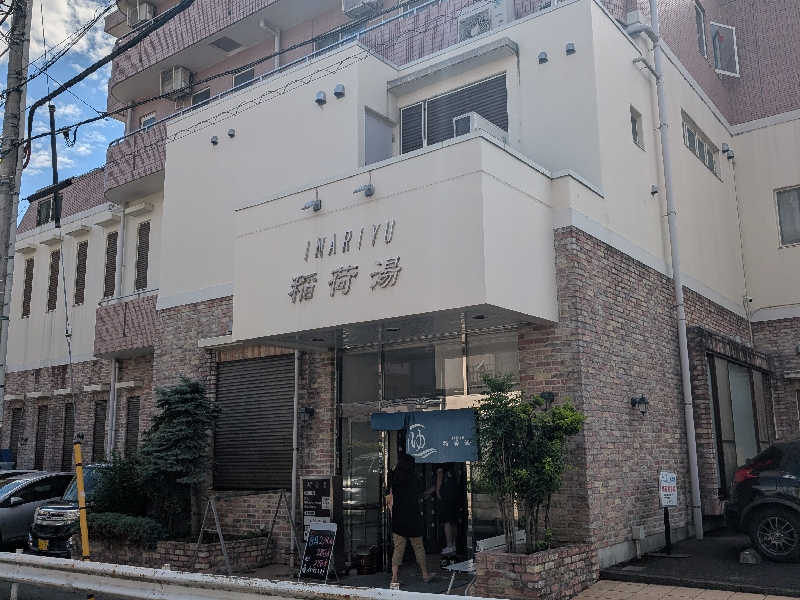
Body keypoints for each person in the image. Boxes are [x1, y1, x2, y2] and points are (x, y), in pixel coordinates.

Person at [386, 453, 433, 589]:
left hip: (398, 517)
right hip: (413, 517)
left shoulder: (393, 477)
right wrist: (430, 491)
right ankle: (425, 575)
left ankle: (394, 579)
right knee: (418, 547)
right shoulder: (414, 478)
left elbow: (389, 497)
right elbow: (420, 495)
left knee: (398, 549)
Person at [434, 463, 458, 556]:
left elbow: (439, 479)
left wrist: (438, 493)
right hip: (454, 496)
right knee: (453, 521)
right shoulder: (452, 467)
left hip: (446, 497)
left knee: (447, 521)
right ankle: (454, 544)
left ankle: (449, 545)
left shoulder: (440, 465)